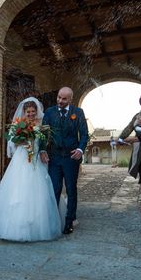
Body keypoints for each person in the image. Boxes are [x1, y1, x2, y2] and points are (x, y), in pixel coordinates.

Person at [0, 98, 64, 241]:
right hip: (21, 158)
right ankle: (13, 226)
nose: (30, 114)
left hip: (36, 159)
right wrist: (24, 140)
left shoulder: (41, 124)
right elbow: (12, 143)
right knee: (19, 188)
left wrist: (41, 149)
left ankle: (37, 224)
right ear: (24, 112)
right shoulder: (19, 124)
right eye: (28, 111)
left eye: (33, 111)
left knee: (38, 189)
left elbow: (44, 141)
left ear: (36, 111)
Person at [40, 87, 89, 234]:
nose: (60, 101)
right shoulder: (49, 112)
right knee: (54, 188)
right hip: (54, 157)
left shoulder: (78, 113)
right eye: (59, 97)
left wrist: (80, 150)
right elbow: (43, 133)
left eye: (64, 99)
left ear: (70, 100)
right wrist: (42, 150)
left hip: (71, 158)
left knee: (71, 189)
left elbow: (84, 134)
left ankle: (69, 221)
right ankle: (53, 220)